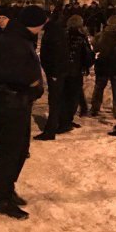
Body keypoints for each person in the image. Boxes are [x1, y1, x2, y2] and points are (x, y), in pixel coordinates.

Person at [0, 5, 46, 219]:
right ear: (35, 24)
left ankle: (7, 189)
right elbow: (5, 72)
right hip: (10, 102)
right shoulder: (12, 40)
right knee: (9, 151)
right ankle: (3, 198)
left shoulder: (19, 37)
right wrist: (32, 83)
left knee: (19, 150)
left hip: (18, 102)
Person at [36, 11, 70, 140]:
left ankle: (50, 130)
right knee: (57, 99)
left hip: (56, 72)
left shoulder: (54, 31)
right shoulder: (53, 30)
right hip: (55, 71)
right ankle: (63, 123)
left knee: (54, 100)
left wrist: (55, 72)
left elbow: (58, 53)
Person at [90, 15, 116, 117]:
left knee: (99, 87)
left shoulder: (101, 35)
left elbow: (95, 48)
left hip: (103, 64)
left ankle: (95, 108)